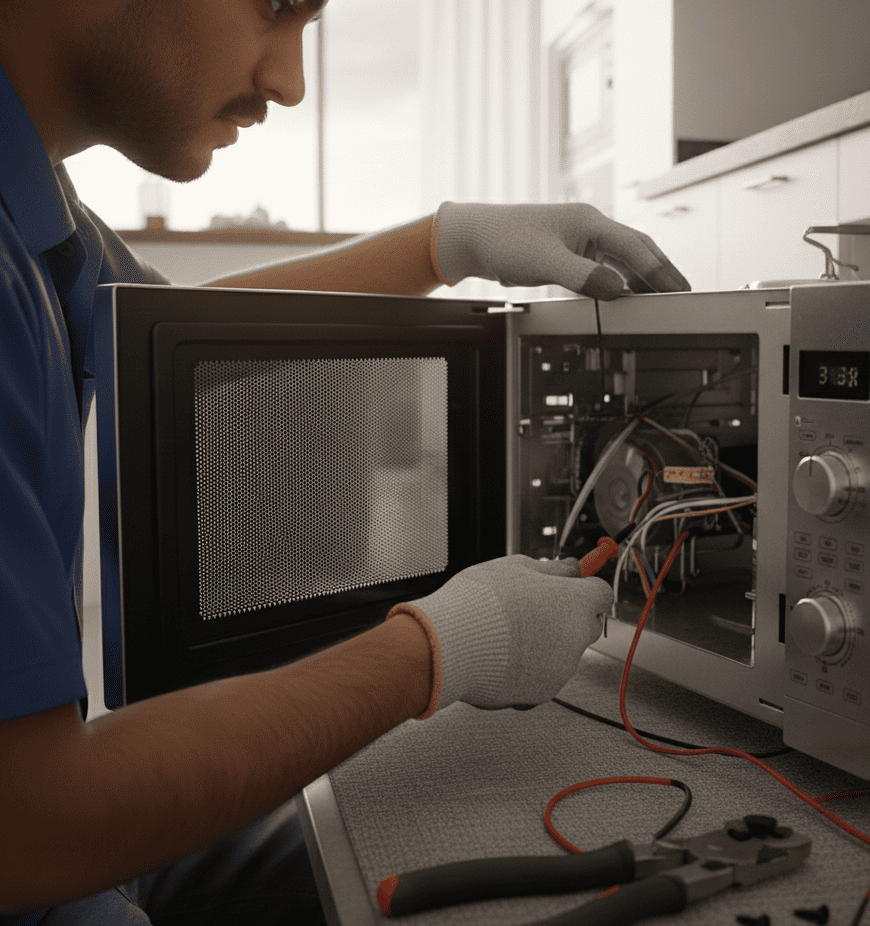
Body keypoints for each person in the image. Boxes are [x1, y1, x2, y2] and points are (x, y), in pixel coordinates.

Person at [0, 1, 690, 922]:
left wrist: (447, 242)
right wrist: (442, 647)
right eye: (278, 7)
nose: (290, 80)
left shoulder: (37, 209)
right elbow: (34, 828)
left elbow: (178, 343)